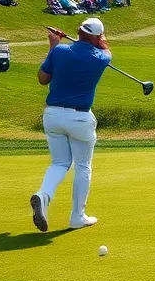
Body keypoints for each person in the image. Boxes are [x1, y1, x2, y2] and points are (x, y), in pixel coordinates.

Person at [30, 18, 113, 232]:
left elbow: (42, 79)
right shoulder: (102, 58)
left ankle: (43, 195)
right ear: (97, 37)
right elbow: (105, 47)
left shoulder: (59, 52)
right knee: (83, 165)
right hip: (80, 118)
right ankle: (77, 217)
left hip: (52, 115)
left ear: (78, 31)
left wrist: (53, 46)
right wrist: (99, 40)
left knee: (59, 163)